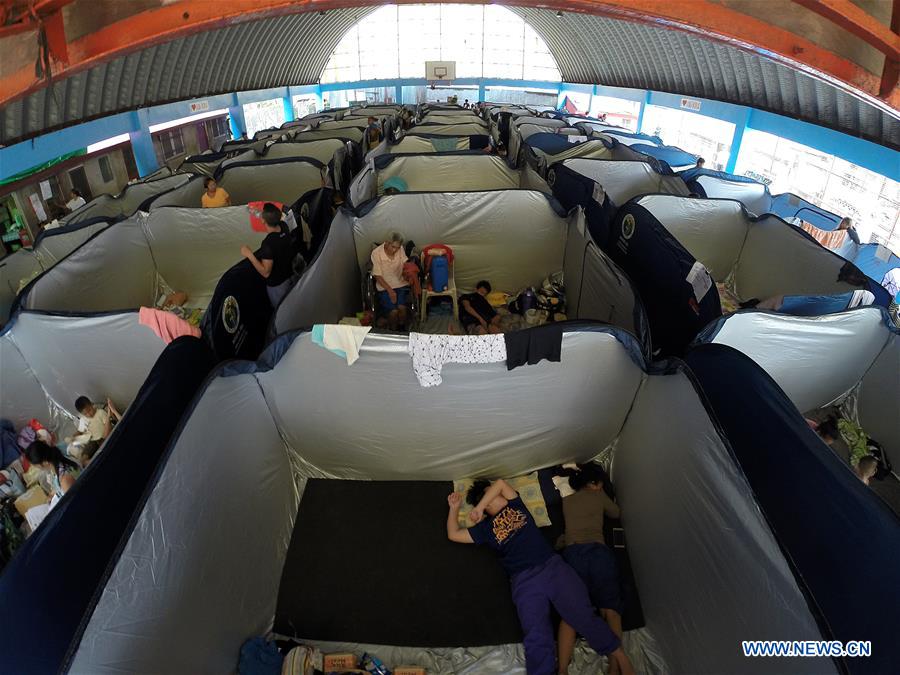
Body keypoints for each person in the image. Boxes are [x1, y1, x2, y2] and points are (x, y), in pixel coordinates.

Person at [447, 480, 635, 675]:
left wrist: (479, 507)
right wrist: (454, 508)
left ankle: (620, 656)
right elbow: (453, 534)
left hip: (551, 566)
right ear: (488, 506)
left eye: (494, 494)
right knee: (536, 635)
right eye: (493, 495)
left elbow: (501, 484)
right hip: (524, 581)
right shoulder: (485, 529)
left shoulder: (515, 506)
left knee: (582, 613)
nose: (498, 495)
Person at [557, 464, 624, 675]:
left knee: (571, 613)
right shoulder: (598, 495)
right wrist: (601, 493)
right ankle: (615, 667)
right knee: (610, 609)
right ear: (595, 483)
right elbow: (616, 512)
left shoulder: (567, 498)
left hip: (573, 554)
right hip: (598, 553)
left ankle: (562, 669)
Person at [240, 203, 294, 308]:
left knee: (281, 309)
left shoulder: (268, 244)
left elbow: (266, 273)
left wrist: (250, 255)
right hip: (290, 276)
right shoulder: (284, 226)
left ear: (263, 221)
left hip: (278, 285)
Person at [371, 232, 411, 330]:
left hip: (400, 283)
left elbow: (405, 264)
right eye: (393, 247)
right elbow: (377, 275)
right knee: (393, 312)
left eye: (398, 247)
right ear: (386, 243)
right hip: (384, 287)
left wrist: (410, 273)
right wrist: (390, 291)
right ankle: (393, 331)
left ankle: (402, 329)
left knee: (402, 309)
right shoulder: (376, 253)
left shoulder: (400, 249)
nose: (395, 250)